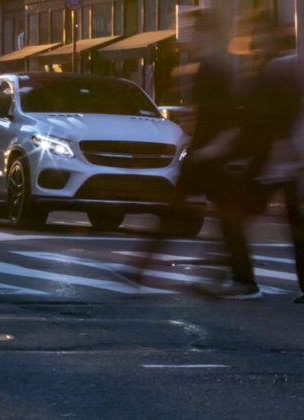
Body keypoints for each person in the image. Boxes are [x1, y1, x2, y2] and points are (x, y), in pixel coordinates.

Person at [188, 11, 304, 302]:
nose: (252, 39)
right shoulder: (267, 66)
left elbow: (275, 114)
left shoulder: (276, 67)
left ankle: (244, 281)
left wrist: (235, 150)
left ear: (271, 36)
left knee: (234, 216)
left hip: (274, 160)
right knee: (290, 220)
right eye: (251, 34)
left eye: (257, 33)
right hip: (276, 160)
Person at [123, 8, 232, 286]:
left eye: (194, 30)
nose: (190, 36)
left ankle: (140, 268)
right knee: (200, 215)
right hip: (203, 153)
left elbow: (224, 116)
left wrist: (212, 147)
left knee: (221, 218)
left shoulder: (215, 70)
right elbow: (201, 113)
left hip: (210, 154)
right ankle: (140, 268)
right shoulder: (205, 67)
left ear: (207, 33)